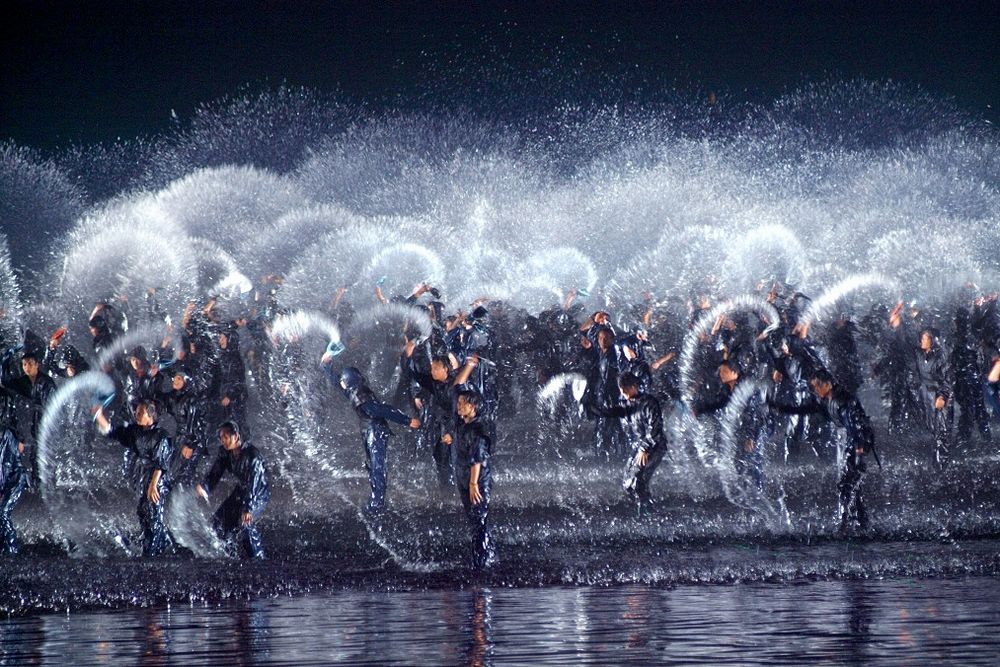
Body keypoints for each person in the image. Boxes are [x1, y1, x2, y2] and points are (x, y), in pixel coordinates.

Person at [322, 359, 420, 513]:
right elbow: (338, 384)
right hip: (371, 430)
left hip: (374, 431)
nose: (341, 383)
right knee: (374, 466)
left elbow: (379, 410)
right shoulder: (355, 391)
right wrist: (327, 366)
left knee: (377, 467)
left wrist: (406, 421)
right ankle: (376, 500)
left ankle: (377, 502)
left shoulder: (359, 393)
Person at [94, 399, 175, 556]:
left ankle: (153, 552)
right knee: (143, 512)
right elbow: (114, 432)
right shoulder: (135, 431)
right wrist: (99, 416)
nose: (136, 415)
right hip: (145, 476)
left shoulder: (161, 436)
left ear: (150, 415)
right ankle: (162, 545)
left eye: (140, 413)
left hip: (158, 478)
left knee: (153, 513)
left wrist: (153, 485)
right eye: (136, 412)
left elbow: (161, 464)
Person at [588, 372, 669, 511]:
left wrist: (645, 449)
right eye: (621, 390)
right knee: (628, 483)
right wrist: (590, 407)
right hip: (640, 446)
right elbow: (609, 412)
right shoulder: (627, 403)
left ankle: (646, 511)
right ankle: (646, 506)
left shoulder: (649, 403)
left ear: (633, 386)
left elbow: (655, 428)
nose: (623, 393)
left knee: (638, 480)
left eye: (625, 390)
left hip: (655, 446)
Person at [196, 421, 270, 559]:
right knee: (218, 522)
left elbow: (254, 483)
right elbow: (216, 471)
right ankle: (230, 554)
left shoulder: (252, 456)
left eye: (226, 437)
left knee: (246, 524)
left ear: (236, 436)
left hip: (258, 493)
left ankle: (258, 559)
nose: (223, 441)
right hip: (242, 489)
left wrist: (248, 508)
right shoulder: (226, 452)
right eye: (221, 438)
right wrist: (206, 486)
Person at [450, 388, 495, 568]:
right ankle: (486, 555)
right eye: (459, 403)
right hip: (465, 479)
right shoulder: (463, 424)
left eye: (463, 403)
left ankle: (481, 562)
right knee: (475, 520)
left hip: (477, 481)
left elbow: (478, 458)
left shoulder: (479, 429)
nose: (459, 406)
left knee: (479, 520)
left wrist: (474, 483)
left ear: (473, 406)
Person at [0, 423, 27, 554]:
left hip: (15, 479)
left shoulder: (6, 435)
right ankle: (6, 546)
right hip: (12, 478)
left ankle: (11, 549)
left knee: (3, 512)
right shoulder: (7, 434)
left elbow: (5, 465)